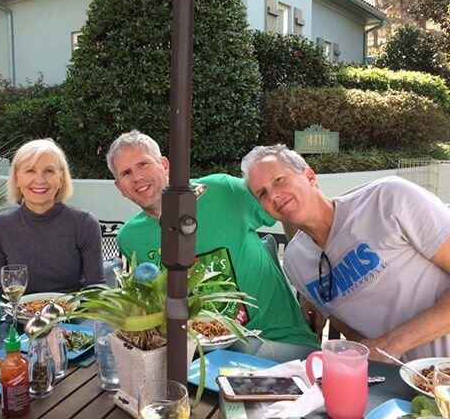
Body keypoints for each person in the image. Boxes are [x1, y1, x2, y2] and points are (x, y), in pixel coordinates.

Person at [106, 131, 319, 350]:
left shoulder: (222, 190)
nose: (137, 177)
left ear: (165, 165)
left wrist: (310, 284)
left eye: (143, 164)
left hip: (280, 341)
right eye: (126, 173)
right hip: (202, 356)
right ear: (120, 187)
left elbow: (291, 208)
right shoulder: (130, 237)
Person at [241, 144, 450, 362]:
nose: (273, 195)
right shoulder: (296, 262)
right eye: (262, 193)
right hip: (398, 385)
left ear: (310, 176)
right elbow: (352, 333)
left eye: (278, 180)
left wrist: (393, 343)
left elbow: (382, 345)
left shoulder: (388, 199)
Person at [0, 139, 104, 326]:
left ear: (61, 178)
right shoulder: (0, 227)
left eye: (49, 171)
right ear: (16, 178)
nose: (40, 180)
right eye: (30, 171)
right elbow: (2, 292)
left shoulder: (84, 223)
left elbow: (95, 290)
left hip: (71, 322)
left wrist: (86, 333)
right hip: (18, 324)